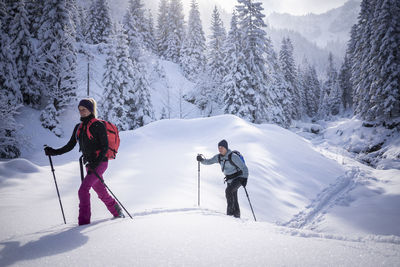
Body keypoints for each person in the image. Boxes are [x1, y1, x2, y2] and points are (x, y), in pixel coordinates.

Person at [44, 98, 124, 225]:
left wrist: (96, 163)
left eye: (84, 109)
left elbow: (104, 147)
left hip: (100, 163)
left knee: (83, 190)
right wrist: (53, 152)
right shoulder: (78, 127)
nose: (81, 112)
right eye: (80, 110)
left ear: (91, 110)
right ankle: (117, 211)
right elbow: (69, 146)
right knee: (101, 191)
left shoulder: (98, 125)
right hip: (89, 164)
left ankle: (83, 222)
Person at [197, 140, 248, 218]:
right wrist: (201, 160)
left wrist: (244, 179)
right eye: (219, 148)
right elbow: (209, 161)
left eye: (222, 147)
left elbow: (244, 168)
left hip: (238, 178)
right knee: (233, 196)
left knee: (229, 191)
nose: (220, 149)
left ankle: (229, 214)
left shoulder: (233, 156)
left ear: (226, 148)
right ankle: (237, 217)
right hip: (229, 179)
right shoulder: (218, 157)